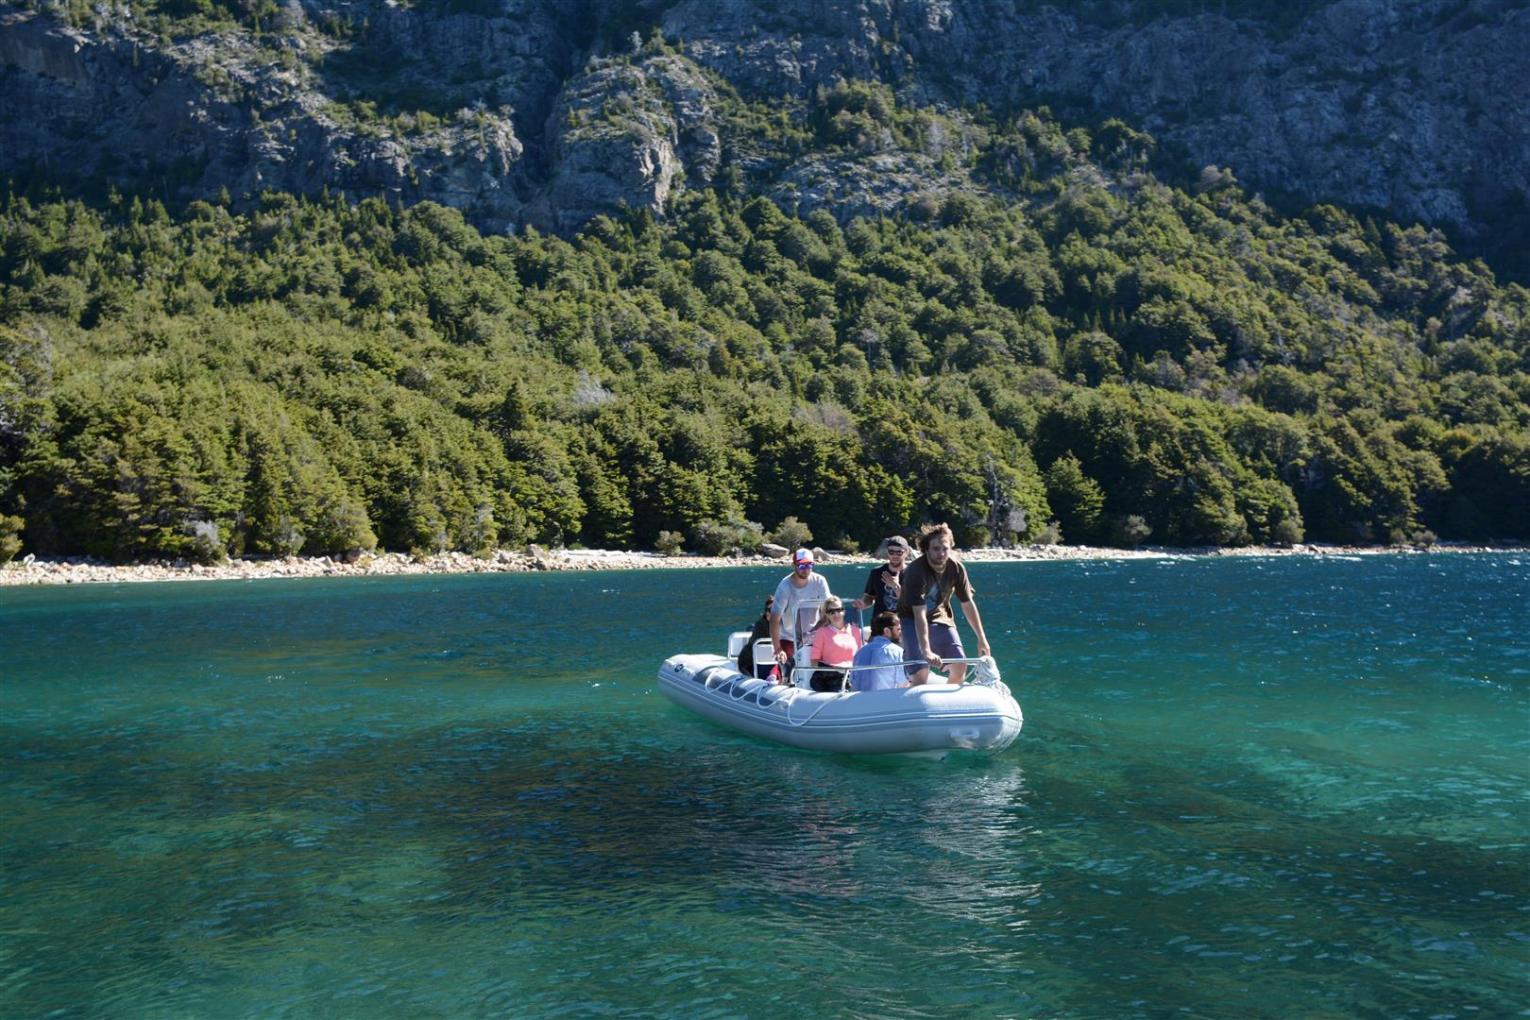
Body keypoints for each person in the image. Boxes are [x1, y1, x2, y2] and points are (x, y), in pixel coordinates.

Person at [896, 522, 991, 685]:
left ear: (951, 548)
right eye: (936, 549)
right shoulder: (915, 572)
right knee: (921, 672)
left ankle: (948, 703)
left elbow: (967, 604)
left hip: (941, 617)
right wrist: (926, 650)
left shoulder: (956, 568)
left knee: (960, 665)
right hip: (911, 618)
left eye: (945, 548)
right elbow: (919, 615)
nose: (941, 553)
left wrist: (981, 638)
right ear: (926, 549)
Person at [770, 547, 831, 684]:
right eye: (802, 565)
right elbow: (775, 618)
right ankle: (775, 680)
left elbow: (829, 608)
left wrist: (817, 630)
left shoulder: (820, 581)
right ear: (794, 566)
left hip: (814, 634)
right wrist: (777, 648)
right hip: (789, 635)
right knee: (784, 662)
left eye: (810, 565)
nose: (806, 569)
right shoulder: (785, 586)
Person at [808, 595, 862, 691]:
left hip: (854, 675)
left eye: (839, 610)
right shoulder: (821, 632)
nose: (836, 614)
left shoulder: (856, 631)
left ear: (844, 611)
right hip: (832, 678)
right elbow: (814, 661)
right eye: (831, 612)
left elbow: (860, 656)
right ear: (827, 615)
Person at [852, 535, 910, 616]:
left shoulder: (913, 574)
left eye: (899, 552)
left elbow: (913, 603)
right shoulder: (877, 573)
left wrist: (895, 587)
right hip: (879, 623)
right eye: (891, 552)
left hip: (903, 624)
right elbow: (869, 597)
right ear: (887, 552)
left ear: (906, 553)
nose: (895, 555)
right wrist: (863, 603)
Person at [850, 612, 906, 692]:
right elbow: (902, 684)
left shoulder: (860, 652)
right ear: (886, 631)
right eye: (898, 629)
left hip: (859, 702)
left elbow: (853, 681)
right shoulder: (898, 652)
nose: (900, 632)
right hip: (884, 702)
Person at [737, 595, 773, 678]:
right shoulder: (760, 626)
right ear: (767, 613)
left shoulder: (784, 625)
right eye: (770, 610)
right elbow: (761, 647)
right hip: (749, 662)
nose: (774, 612)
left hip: (769, 661)